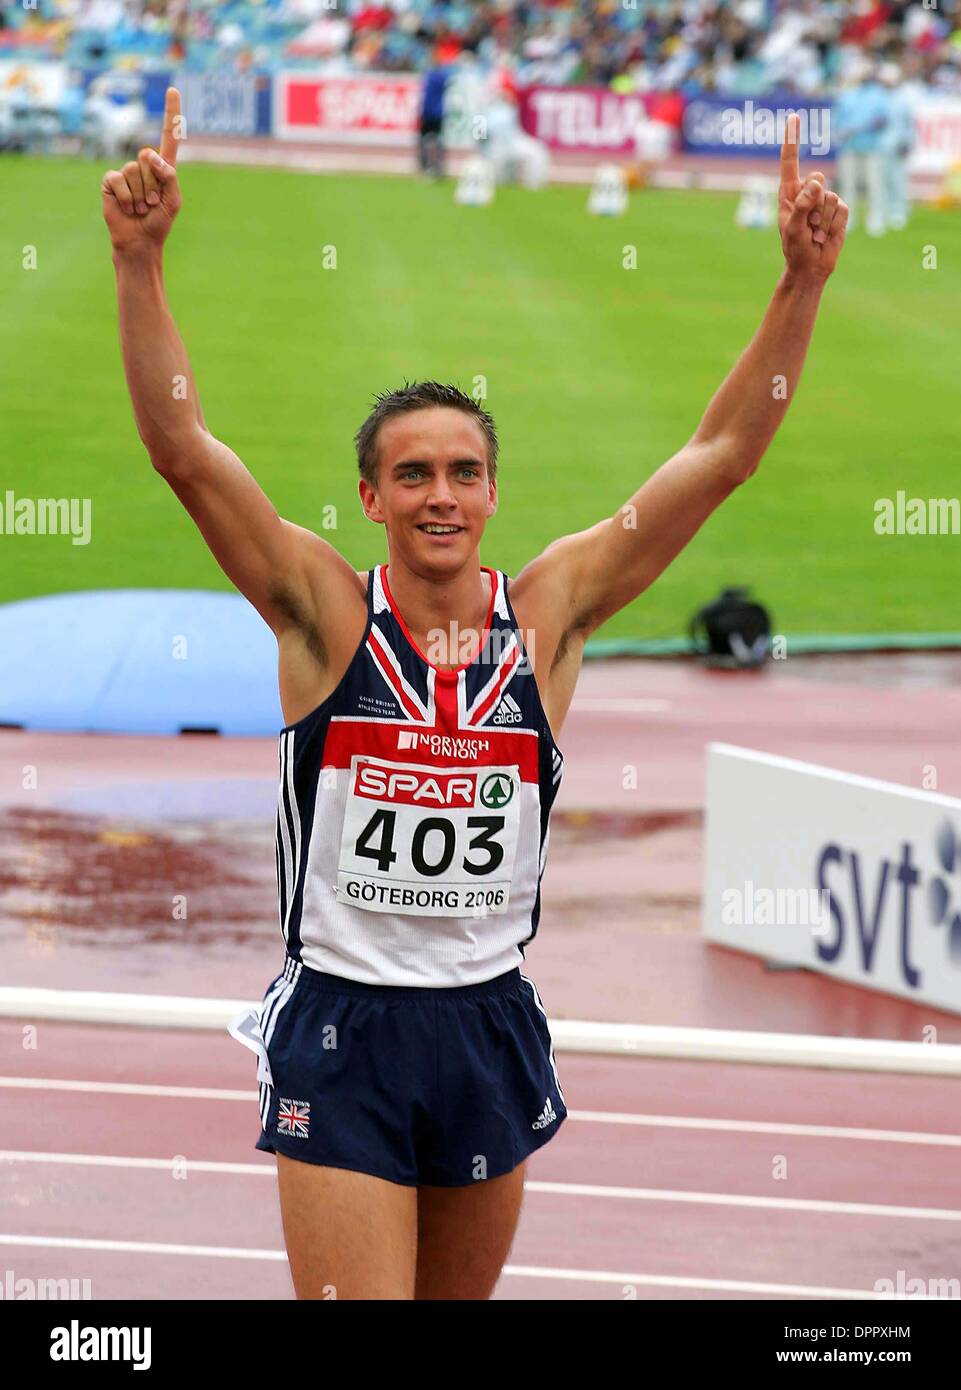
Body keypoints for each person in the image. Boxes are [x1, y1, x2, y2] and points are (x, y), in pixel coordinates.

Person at [102, 91, 848, 1300]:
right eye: (413, 474)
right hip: (345, 1027)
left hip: (485, 1018)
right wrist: (139, 261)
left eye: (463, 471)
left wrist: (800, 283)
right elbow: (184, 453)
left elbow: (721, 456)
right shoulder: (325, 610)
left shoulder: (549, 613)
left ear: (493, 492)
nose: (440, 493)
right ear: (372, 497)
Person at [833, 59, 891, 236]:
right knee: (848, 184)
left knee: (875, 183)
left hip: (871, 146)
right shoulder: (847, 95)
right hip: (849, 146)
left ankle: (876, 217)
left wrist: (865, 127)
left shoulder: (879, 95)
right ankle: (848, 218)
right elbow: (837, 121)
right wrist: (843, 131)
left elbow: (883, 120)